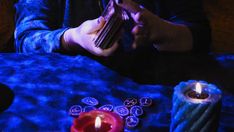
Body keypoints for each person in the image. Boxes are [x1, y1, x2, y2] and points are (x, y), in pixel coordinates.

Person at [15, 0, 211, 55]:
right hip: (69, 91)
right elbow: (25, 40)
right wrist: (73, 38)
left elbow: (201, 37)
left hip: (155, 91)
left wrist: (161, 32)